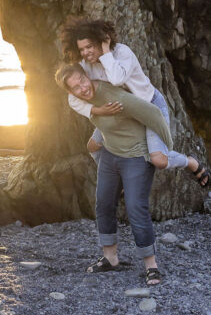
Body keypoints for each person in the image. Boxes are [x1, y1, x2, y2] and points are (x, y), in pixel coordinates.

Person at [55, 62, 170, 284]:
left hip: (136, 155)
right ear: (71, 93)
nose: (82, 88)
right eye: (76, 87)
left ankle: (151, 265)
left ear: (86, 76)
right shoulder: (78, 101)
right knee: (104, 203)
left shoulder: (113, 94)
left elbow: (153, 112)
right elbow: (101, 121)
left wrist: (165, 146)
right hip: (110, 154)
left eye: (82, 80)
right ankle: (111, 258)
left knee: (136, 207)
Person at [59, 16, 209, 185]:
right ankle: (117, 177)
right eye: (81, 50)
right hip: (118, 112)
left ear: (100, 41)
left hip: (149, 106)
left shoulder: (122, 53)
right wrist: (98, 111)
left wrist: (106, 52)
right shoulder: (86, 65)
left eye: (89, 46)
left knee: (159, 160)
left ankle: (190, 162)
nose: (85, 53)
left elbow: (117, 79)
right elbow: (73, 97)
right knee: (92, 146)